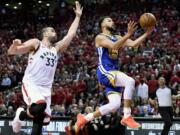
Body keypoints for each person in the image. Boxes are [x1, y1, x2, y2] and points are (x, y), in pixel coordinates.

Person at [7, 1, 83, 135]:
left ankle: (24, 115)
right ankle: (21, 114)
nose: (55, 33)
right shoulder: (36, 43)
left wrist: (77, 17)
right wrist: (15, 45)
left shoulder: (56, 48)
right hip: (32, 83)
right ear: (45, 34)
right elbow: (12, 52)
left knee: (43, 120)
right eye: (52, 31)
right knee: (40, 105)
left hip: (46, 88)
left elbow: (70, 35)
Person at [74, 16, 153, 132]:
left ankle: (84, 119)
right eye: (109, 20)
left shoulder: (117, 37)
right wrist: (128, 34)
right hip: (105, 71)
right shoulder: (99, 37)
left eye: (112, 20)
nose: (113, 22)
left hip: (113, 74)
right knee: (130, 81)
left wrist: (147, 33)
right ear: (102, 25)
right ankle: (127, 116)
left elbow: (134, 44)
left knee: (115, 105)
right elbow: (114, 46)